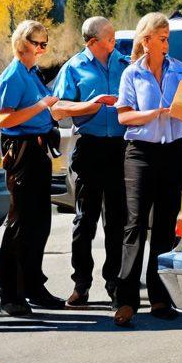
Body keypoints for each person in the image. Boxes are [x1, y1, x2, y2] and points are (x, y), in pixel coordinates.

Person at [113, 12, 182, 327]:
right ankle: (126, 300)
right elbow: (123, 117)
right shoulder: (131, 74)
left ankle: (160, 297)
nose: (166, 43)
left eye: (168, 38)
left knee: (163, 227)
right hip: (140, 155)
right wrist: (155, 112)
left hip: (173, 152)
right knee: (134, 225)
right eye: (162, 38)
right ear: (146, 41)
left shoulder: (181, 70)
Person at [50, 16, 130, 308]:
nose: (115, 41)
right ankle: (81, 284)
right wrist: (93, 104)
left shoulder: (126, 65)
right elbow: (57, 108)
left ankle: (115, 286)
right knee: (85, 220)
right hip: (89, 148)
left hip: (121, 149)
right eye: (110, 37)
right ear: (93, 42)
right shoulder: (73, 68)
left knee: (118, 222)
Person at [0, 20, 65, 317]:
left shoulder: (32, 73)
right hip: (20, 150)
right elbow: (3, 119)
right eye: (39, 42)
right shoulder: (13, 76)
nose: (43, 48)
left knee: (39, 223)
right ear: (23, 43)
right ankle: (10, 295)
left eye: (46, 43)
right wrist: (42, 106)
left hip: (38, 147)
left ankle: (33, 286)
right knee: (20, 223)